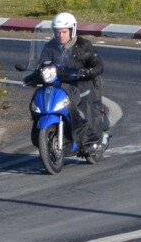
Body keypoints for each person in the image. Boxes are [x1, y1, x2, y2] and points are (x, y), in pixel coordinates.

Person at [39, 11, 107, 150]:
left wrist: (86, 72)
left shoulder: (83, 45)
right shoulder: (49, 47)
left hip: (81, 84)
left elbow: (98, 65)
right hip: (58, 85)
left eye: (64, 32)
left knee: (78, 106)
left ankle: (88, 137)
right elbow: (41, 64)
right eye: (57, 32)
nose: (60, 35)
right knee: (37, 100)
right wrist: (35, 73)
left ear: (72, 30)